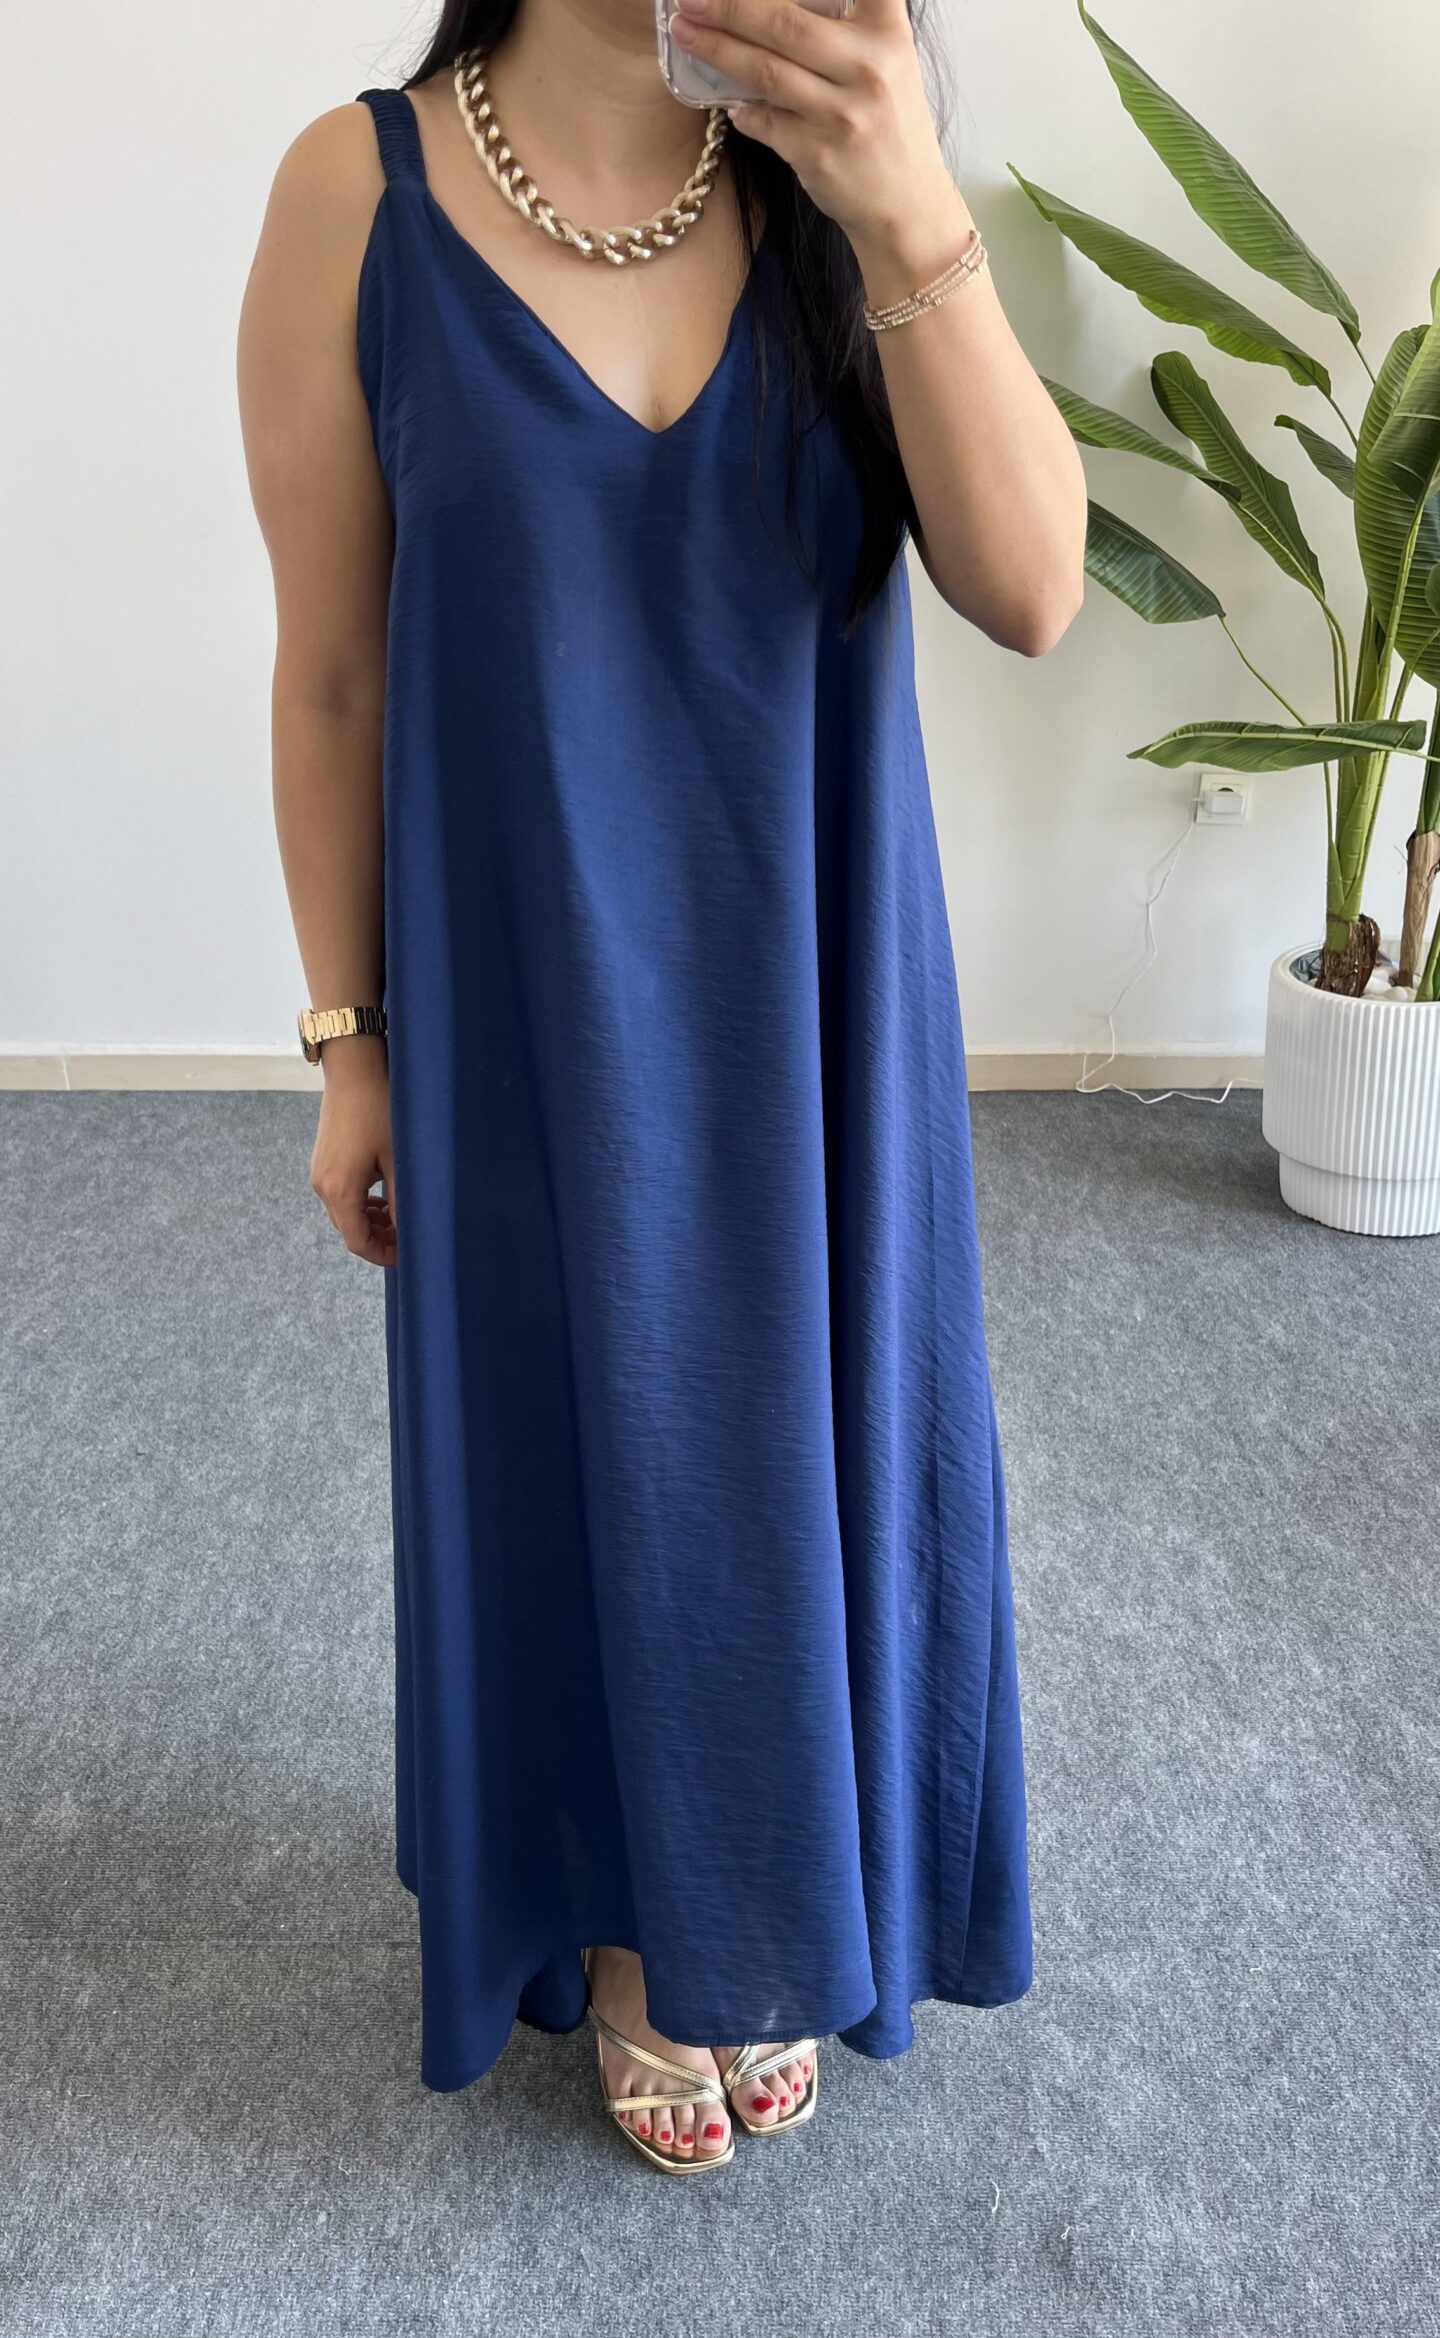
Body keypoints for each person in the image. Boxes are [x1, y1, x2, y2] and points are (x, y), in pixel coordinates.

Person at [237, 0, 1085, 2177]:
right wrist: (349, 1041)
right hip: (519, 998)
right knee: (572, 1428)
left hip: (812, 985)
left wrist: (904, 198)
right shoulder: (358, 194)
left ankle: (778, 1885)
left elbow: (1031, 588)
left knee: (805, 1432)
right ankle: (630, 1923)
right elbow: (332, 668)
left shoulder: (835, 183)